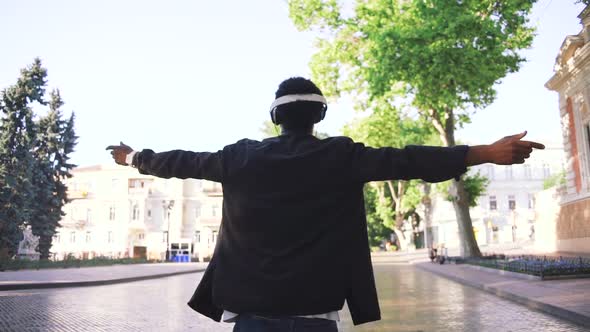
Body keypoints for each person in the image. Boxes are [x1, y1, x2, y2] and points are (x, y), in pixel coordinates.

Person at [107, 77, 544, 331]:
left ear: (276, 117)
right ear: (319, 117)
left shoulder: (238, 157)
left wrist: (132, 157)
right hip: (317, 314)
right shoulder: (342, 158)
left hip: (251, 316)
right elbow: (408, 159)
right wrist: (482, 152)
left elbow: (180, 162)